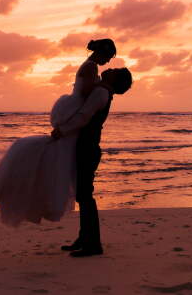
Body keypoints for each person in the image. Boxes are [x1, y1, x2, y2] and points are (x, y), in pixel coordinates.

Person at [0, 39, 117, 227]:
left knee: (61, 156)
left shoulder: (90, 66)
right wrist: (105, 85)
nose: (109, 61)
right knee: (61, 156)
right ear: (102, 53)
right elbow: (87, 92)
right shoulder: (91, 67)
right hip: (76, 108)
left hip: (75, 107)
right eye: (109, 56)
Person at [52, 67, 133, 257]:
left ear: (114, 78)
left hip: (87, 149)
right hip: (89, 147)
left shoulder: (101, 92)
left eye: (114, 70)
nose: (110, 68)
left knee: (85, 196)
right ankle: (85, 238)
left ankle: (93, 243)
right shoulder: (102, 91)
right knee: (83, 195)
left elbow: (83, 116)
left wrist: (62, 130)